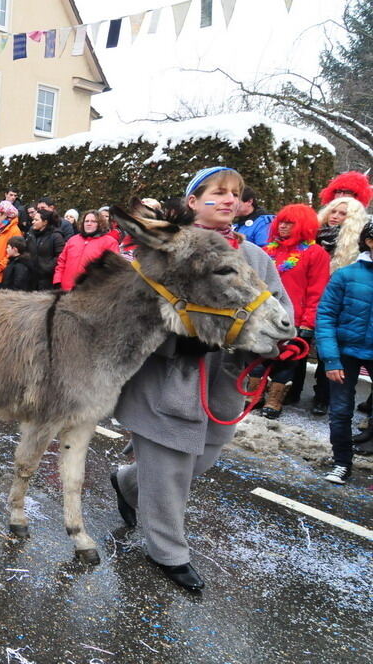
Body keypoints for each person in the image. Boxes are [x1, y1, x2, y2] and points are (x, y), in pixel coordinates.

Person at [112, 167, 292, 591]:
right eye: (218, 192)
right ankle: (169, 553)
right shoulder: (165, 252)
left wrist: (275, 342)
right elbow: (131, 318)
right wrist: (179, 341)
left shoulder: (257, 259)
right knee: (171, 470)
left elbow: (281, 312)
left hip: (224, 385)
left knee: (200, 461)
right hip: (166, 382)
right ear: (193, 201)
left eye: (236, 193)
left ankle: (129, 481)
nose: (230, 199)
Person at [248, 204, 329, 419]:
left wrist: (308, 324)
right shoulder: (267, 251)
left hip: (293, 319)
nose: (283, 226)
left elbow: (316, 291)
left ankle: (275, 400)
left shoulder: (315, 253)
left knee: (286, 360)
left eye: (289, 223)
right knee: (258, 355)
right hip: (263, 316)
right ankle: (253, 395)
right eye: (281, 222)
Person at [289, 196, 369, 413]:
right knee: (299, 343)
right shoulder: (312, 238)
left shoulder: (354, 247)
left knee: (328, 348)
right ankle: (291, 389)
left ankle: (322, 397)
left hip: (337, 303)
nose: (335, 216)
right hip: (309, 299)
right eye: (333, 211)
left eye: (342, 214)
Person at [315, 221, 373, 483]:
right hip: (345, 352)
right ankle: (341, 463)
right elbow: (325, 316)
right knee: (340, 411)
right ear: (369, 241)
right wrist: (331, 359)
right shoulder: (345, 275)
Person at [53, 209, 119, 290]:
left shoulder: (110, 242)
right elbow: (61, 262)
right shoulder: (73, 240)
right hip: (66, 289)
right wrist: (57, 281)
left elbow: (112, 269)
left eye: (93, 221)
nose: (89, 224)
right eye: (86, 221)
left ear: (100, 224)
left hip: (91, 291)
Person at [24, 206, 66, 290]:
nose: (33, 222)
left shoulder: (56, 236)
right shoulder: (31, 234)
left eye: (36, 220)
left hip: (47, 280)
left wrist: (46, 268)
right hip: (31, 278)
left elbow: (60, 257)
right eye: (33, 219)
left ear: (45, 222)